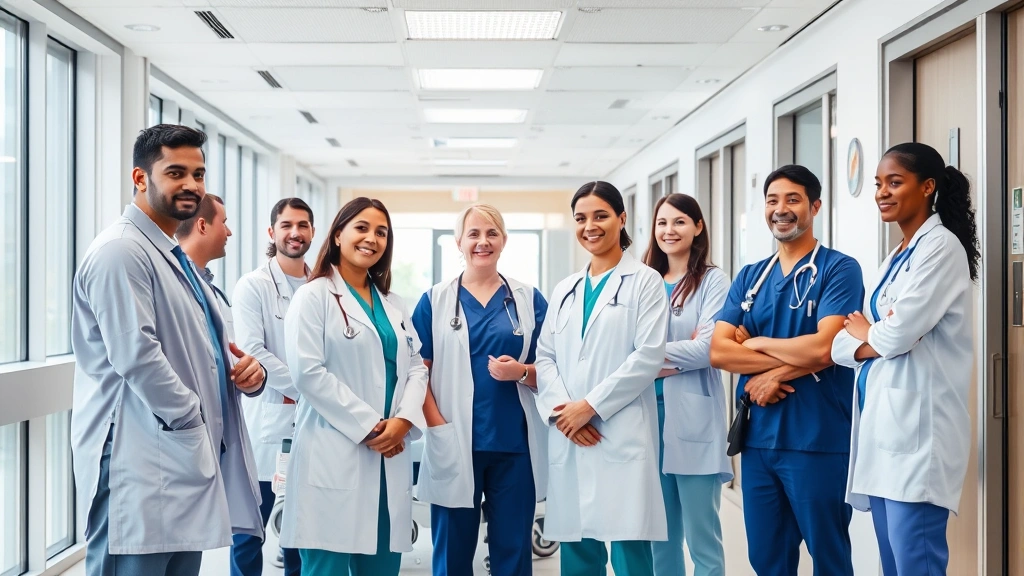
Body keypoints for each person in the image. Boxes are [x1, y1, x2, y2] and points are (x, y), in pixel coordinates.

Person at [70, 124, 266, 576]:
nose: (191, 185)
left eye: (198, 174)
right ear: (141, 179)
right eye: (176, 172)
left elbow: (196, 347)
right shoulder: (121, 251)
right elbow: (136, 355)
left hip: (177, 455)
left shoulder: (171, 254)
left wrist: (244, 372)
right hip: (139, 456)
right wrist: (190, 418)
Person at [831, 143, 978, 576]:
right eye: (878, 183)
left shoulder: (941, 249)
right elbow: (843, 342)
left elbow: (893, 334)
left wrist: (872, 331)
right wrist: (871, 334)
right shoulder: (898, 255)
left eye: (895, 182)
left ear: (927, 187)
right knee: (891, 563)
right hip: (884, 431)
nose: (882, 192)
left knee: (917, 561)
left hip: (920, 435)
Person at [709, 165, 863, 576]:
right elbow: (720, 352)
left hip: (818, 438)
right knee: (766, 559)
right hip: (759, 441)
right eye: (773, 200)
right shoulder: (750, 276)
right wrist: (791, 361)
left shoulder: (838, 269)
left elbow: (828, 346)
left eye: (793, 199)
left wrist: (756, 345)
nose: (781, 209)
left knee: (829, 555)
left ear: (814, 206)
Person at [280, 197, 428, 576]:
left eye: (381, 232)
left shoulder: (392, 303)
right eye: (362, 228)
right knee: (325, 568)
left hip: (388, 455)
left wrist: (404, 421)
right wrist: (371, 426)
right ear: (339, 234)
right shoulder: (313, 297)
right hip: (333, 452)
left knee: (381, 567)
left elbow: (415, 366)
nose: (372, 239)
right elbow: (308, 373)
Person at [535, 181, 668, 576]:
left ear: (621, 219)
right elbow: (545, 357)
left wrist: (589, 407)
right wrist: (564, 415)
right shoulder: (565, 289)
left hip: (618, 429)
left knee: (630, 549)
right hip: (571, 433)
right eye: (581, 218)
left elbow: (647, 357)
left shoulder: (645, 282)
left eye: (600, 216)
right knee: (577, 549)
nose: (589, 226)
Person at [412, 204, 549, 576]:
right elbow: (417, 373)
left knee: (514, 551)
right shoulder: (434, 300)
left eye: (491, 233)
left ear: (504, 240)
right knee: (451, 553)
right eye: (473, 234)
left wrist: (522, 372)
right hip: (455, 440)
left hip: (514, 444)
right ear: (459, 242)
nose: (482, 242)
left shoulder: (528, 299)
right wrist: (438, 427)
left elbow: (553, 371)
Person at [642, 194, 730, 576]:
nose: (669, 230)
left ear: (698, 227)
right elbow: (616, 350)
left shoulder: (713, 280)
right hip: (644, 417)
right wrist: (679, 356)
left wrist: (643, 358)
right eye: (662, 222)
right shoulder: (641, 281)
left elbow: (709, 348)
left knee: (703, 540)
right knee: (659, 538)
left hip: (692, 419)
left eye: (679, 222)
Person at [231, 197, 315, 576]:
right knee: (250, 533)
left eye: (303, 225)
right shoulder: (253, 286)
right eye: (286, 225)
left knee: (301, 533)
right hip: (268, 430)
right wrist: (311, 390)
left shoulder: (325, 284)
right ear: (272, 232)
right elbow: (253, 351)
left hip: (315, 428)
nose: (295, 232)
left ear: (313, 232)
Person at [177, 193, 233, 323]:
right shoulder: (173, 281)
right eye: (223, 223)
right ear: (202, 226)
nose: (229, 232)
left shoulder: (206, 283)